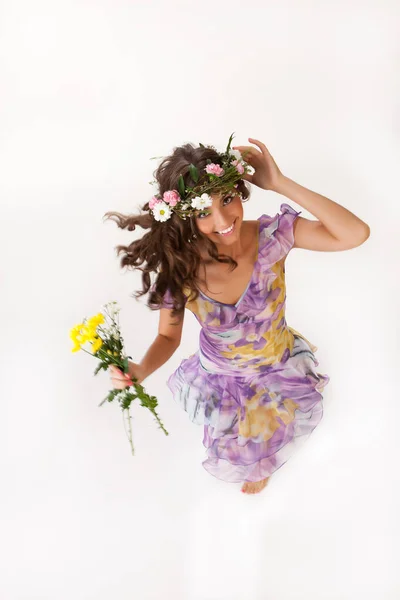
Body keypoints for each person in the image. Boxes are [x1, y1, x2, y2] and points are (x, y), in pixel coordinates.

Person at [104, 134, 370, 495]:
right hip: (223, 377)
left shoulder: (272, 236)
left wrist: (279, 183)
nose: (223, 219)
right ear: (184, 217)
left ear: (239, 190)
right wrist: (139, 370)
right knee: (239, 446)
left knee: (276, 426)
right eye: (203, 212)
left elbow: (355, 234)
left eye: (227, 199)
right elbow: (168, 336)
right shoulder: (181, 268)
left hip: (276, 361)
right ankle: (255, 463)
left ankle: (266, 455)